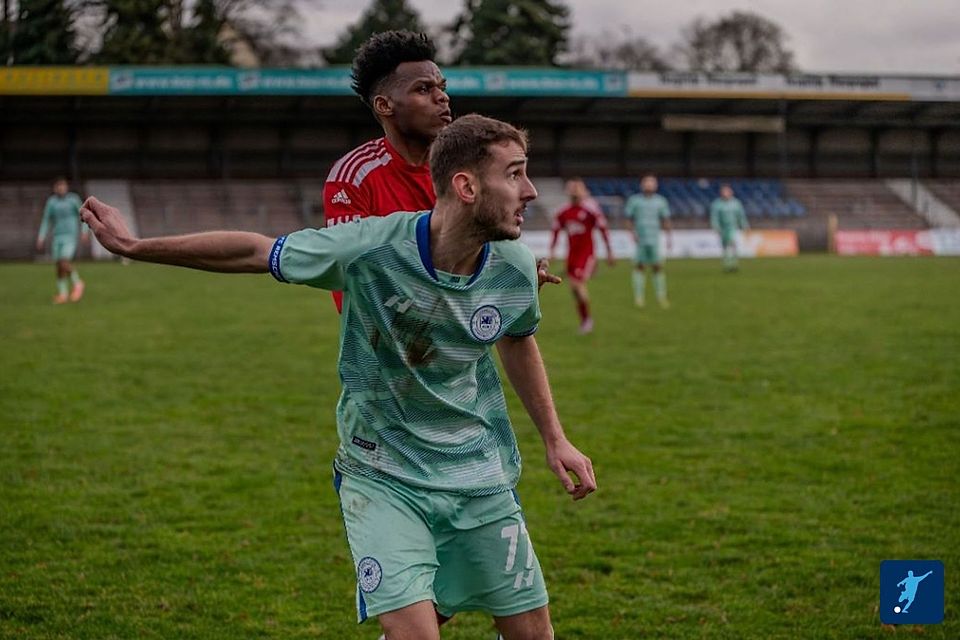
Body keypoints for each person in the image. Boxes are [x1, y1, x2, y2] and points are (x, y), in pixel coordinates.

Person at [80, 114, 596, 640]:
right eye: (514, 174)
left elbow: (517, 339)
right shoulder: (368, 247)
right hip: (383, 472)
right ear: (466, 186)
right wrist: (136, 247)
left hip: (478, 475)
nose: (530, 191)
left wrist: (556, 439)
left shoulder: (513, 266)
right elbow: (258, 251)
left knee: (533, 633)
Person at [324, 30, 557, 313]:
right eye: (423, 89)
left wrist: (511, 273)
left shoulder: (466, 170)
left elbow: (481, 254)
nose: (443, 97)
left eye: (441, 87)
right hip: (386, 351)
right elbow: (351, 280)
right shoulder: (353, 177)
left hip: (461, 348)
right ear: (384, 105)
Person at [549, 179, 613, 334]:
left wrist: (609, 252)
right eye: (572, 188)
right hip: (571, 255)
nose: (574, 191)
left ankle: (587, 321)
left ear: (584, 191)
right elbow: (556, 232)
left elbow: (603, 229)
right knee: (574, 289)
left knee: (577, 285)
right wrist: (552, 251)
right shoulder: (563, 211)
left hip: (586, 253)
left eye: (578, 188)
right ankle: (585, 320)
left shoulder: (591, 209)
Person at [36, 177, 88, 303]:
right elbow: (46, 219)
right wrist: (41, 236)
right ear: (55, 188)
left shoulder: (73, 199)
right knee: (59, 266)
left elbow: (84, 214)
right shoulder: (52, 202)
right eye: (58, 186)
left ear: (66, 187)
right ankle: (63, 294)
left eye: (63, 185)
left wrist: (84, 231)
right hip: (57, 236)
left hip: (70, 236)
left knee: (64, 262)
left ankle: (78, 283)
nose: (61, 188)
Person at [623, 174, 671, 308]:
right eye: (646, 182)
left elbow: (665, 219)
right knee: (639, 266)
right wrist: (631, 233)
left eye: (652, 183)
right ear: (642, 185)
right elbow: (628, 218)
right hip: (641, 239)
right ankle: (639, 298)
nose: (649, 185)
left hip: (654, 238)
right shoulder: (634, 201)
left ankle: (661, 297)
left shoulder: (661, 201)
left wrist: (668, 237)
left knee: (658, 267)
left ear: (656, 185)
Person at [709, 184, 749, 272]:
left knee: (732, 242)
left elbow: (741, 215)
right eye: (724, 191)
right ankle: (727, 264)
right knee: (725, 246)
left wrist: (744, 225)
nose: (725, 193)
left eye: (727, 191)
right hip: (723, 228)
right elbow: (714, 217)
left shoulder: (736, 203)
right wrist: (716, 227)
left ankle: (734, 263)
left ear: (731, 192)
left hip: (732, 227)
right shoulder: (717, 204)